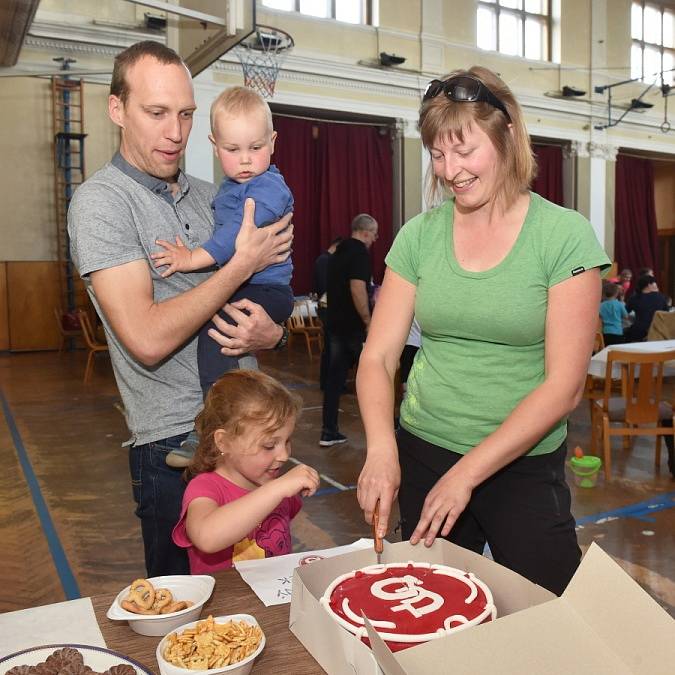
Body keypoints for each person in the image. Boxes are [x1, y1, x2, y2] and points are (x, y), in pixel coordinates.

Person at [356, 66, 610, 596]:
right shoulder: (418, 237)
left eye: (464, 150)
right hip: (426, 447)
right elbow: (378, 358)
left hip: (522, 463)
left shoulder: (563, 236)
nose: (450, 170)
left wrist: (468, 474)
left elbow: (563, 388)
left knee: (550, 610)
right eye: (438, 154)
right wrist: (382, 449)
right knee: (429, 612)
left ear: (508, 135)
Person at [68, 41, 292, 577]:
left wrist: (273, 335)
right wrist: (238, 266)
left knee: (270, 595)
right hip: (173, 443)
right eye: (157, 112)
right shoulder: (102, 203)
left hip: (251, 433)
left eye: (186, 114)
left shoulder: (214, 194)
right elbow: (145, 338)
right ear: (117, 109)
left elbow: (265, 294)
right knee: (185, 619)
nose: (175, 131)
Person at [151, 87, 295, 395]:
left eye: (255, 148)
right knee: (217, 331)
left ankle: (219, 402)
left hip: (268, 290)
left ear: (272, 143)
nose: (245, 160)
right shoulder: (227, 189)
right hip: (249, 286)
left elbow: (234, 238)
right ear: (215, 147)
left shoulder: (268, 187)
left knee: (216, 332)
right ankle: (222, 397)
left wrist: (190, 258)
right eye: (233, 149)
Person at [172, 370, 319, 573]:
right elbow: (207, 538)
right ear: (224, 442)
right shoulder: (205, 488)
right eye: (269, 445)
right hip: (228, 603)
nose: (284, 455)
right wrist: (276, 490)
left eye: (287, 441)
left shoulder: (274, 486)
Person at [320, 214, 378, 447]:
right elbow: (357, 288)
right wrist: (368, 320)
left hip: (334, 324)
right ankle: (381, 433)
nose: (376, 238)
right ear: (365, 233)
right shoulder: (359, 253)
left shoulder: (336, 252)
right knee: (373, 377)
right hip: (352, 328)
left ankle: (328, 431)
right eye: (374, 234)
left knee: (334, 382)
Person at [314, 236, 343, 390]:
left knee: (331, 348)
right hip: (328, 309)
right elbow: (326, 287)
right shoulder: (325, 261)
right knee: (331, 348)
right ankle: (329, 383)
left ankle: (329, 383)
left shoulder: (326, 260)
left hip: (329, 308)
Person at [625, 275, 669, 342]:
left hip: (638, 333)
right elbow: (666, 313)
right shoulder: (661, 297)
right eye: (654, 283)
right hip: (657, 332)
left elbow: (625, 313)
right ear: (649, 285)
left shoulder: (634, 298)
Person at [599, 281, 627, 346]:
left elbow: (599, 316)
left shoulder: (601, 305)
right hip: (618, 331)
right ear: (616, 294)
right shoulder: (619, 304)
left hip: (606, 332)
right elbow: (625, 316)